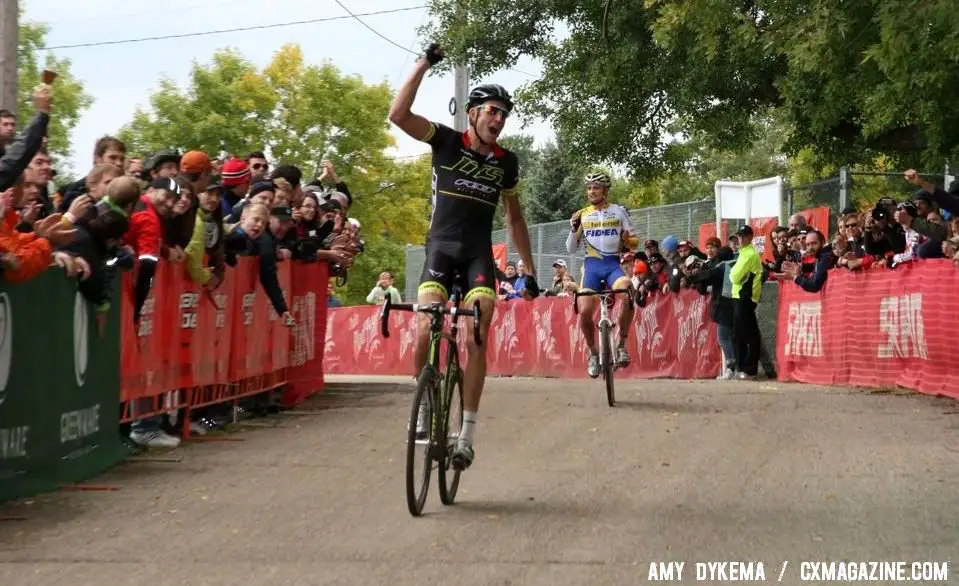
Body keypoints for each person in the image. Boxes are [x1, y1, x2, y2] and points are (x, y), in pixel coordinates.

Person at [388, 42, 535, 471]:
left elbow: (515, 218)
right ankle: (426, 404)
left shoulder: (507, 163)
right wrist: (426, 63)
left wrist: (527, 268)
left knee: (475, 334)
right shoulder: (446, 140)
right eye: (492, 110)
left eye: (504, 114)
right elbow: (398, 115)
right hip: (440, 248)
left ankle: (466, 434)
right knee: (422, 332)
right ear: (472, 113)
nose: (499, 119)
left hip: (476, 256)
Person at [565, 171, 637, 377]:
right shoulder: (582, 214)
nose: (591, 191)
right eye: (589, 188)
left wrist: (627, 240)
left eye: (596, 187)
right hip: (592, 268)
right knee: (585, 310)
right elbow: (570, 249)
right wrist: (573, 229)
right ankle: (593, 353)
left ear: (605, 190)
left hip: (613, 265)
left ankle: (621, 345)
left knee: (627, 291)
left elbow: (634, 241)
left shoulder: (619, 211)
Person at [728, 224, 763, 380]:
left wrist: (735, 275)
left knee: (749, 335)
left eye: (743, 236)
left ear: (750, 237)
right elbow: (735, 275)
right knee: (739, 334)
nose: (740, 239)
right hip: (740, 296)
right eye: (739, 236)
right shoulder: (744, 253)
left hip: (745, 297)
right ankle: (742, 367)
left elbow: (734, 276)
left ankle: (749, 369)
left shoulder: (749, 254)